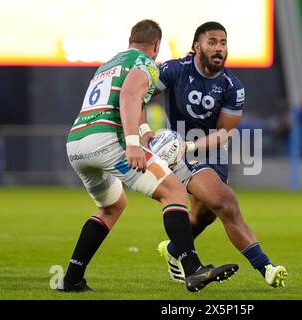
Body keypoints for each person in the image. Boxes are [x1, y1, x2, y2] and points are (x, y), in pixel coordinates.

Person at [61, 19, 238, 293]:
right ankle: (192, 269)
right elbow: (130, 94)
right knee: (175, 192)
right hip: (110, 142)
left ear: (131, 40)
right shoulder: (146, 64)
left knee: (112, 206)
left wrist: (140, 133)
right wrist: (133, 143)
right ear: (156, 46)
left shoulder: (108, 65)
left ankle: (72, 278)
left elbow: (121, 89)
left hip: (76, 143)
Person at [149, 21, 287, 288]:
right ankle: (267, 268)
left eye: (223, 43)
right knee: (226, 203)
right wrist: (144, 132)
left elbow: (224, 134)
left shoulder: (232, 86)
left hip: (209, 151)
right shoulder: (175, 69)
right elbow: (141, 94)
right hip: (183, 152)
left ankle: (174, 250)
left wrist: (193, 146)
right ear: (196, 46)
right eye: (212, 42)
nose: (219, 48)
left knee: (203, 216)